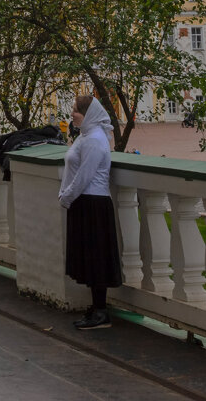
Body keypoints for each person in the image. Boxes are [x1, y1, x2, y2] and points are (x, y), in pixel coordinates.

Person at [58, 95, 122, 331]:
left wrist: (66, 196)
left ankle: (101, 312)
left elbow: (84, 176)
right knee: (89, 255)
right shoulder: (85, 136)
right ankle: (96, 308)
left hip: (93, 202)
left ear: (88, 114)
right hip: (85, 202)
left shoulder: (95, 139)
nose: (72, 114)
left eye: (76, 110)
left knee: (96, 257)